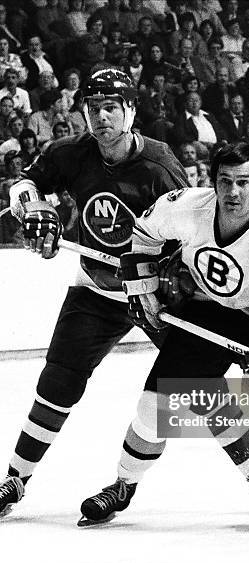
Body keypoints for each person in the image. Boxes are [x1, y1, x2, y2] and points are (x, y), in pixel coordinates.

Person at [78, 142, 249, 527]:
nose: (233, 192)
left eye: (243, 182)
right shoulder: (187, 207)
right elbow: (145, 232)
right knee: (153, 409)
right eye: (225, 181)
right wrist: (143, 287)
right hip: (209, 310)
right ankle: (123, 484)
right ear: (213, 181)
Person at [0, 68, 188, 518]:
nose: (101, 117)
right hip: (97, 291)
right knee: (57, 382)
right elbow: (26, 185)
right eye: (93, 109)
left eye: (111, 108)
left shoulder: (160, 166)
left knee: (195, 380)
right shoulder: (70, 153)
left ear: (131, 112)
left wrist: (171, 283)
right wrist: (34, 210)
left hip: (153, 293)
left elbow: (192, 235)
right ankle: (15, 479)